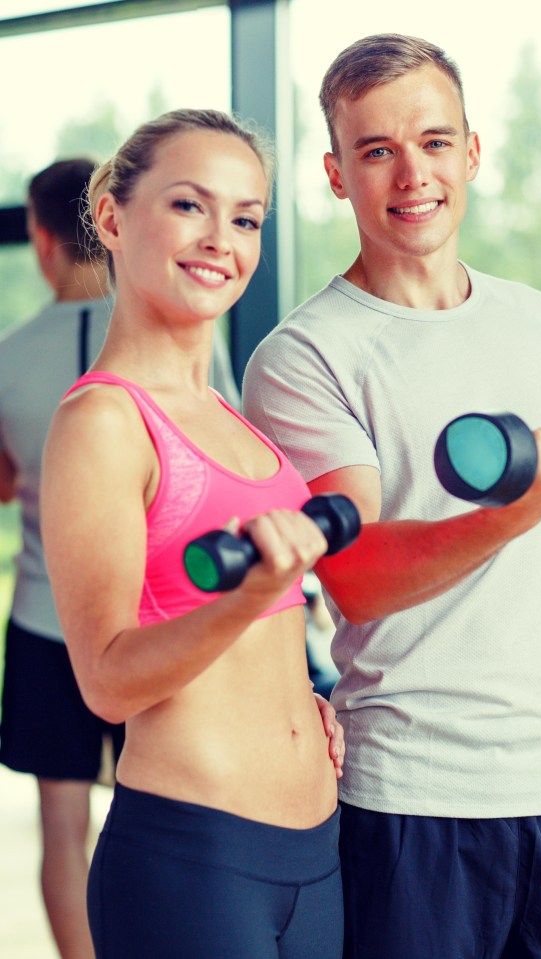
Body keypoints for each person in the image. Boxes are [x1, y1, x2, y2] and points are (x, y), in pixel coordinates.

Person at [242, 33, 541, 959]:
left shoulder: (539, 321)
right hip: (414, 796)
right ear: (335, 172)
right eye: (377, 150)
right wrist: (516, 509)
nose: (412, 175)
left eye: (435, 142)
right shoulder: (305, 356)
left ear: (471, 152)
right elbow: (355, 576)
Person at [40, 109, 346, 959]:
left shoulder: (232, 416)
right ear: (110, 218)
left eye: (246, 217)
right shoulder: (104, 422)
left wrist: (307, 702)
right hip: (195, 857)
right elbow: (106, 681)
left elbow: (266, 640)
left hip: (316, 848)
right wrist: (242, 598)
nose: (222, 239)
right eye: (189, 206)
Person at [0, 157, 243, 959]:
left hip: (46, 624)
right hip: (165, 624)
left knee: (64, 824)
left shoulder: (8, 357)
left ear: (40, 240)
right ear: (109, 225)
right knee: (173, 811)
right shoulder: (176, 347)